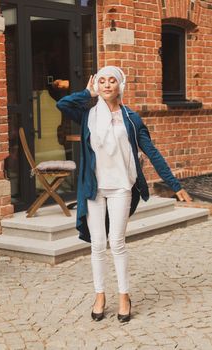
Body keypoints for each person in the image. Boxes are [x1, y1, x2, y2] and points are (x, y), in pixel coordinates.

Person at [56, 66, 192, 323]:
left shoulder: (131, 118)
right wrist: (87, 91)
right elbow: (63, 104)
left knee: (116, 242)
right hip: (93, 188)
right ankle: (99, 294)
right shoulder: (88, 113)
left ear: (120, 85)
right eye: (102, 81)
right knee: (97, 245)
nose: (107, 85)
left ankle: (123, 295)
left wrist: (175, 184)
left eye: (112, 81)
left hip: (121, 187)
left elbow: (151, 152)